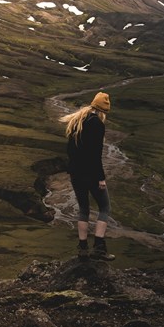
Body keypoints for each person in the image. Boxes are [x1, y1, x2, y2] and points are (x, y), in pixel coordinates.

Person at [59, 91, 115, 261]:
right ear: (102, 110)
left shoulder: (77, 121)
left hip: (76, 173)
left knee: (83, 209)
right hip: (91, 174)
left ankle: (82, 249)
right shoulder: (97, 124)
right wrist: (101, 178)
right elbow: (95, 154)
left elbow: (70, 150)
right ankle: (99, 248)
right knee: (105, 207)